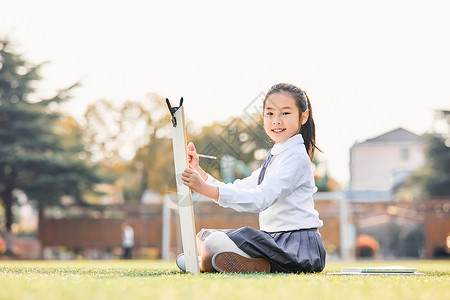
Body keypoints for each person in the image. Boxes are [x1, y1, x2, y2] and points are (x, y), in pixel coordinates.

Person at [178, 83, 326, 273]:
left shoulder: (296, 158)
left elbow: (260, 199)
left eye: (286, 113)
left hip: (297, 246)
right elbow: (242, 187)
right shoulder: (278, 155)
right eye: (270, 113)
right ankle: (217, 261)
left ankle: (207, 261)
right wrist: (199, 172)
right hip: (273, 239)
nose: (276, 120)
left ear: (303, 117)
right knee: (203, 237)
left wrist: (205, 190)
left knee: (212, 243)